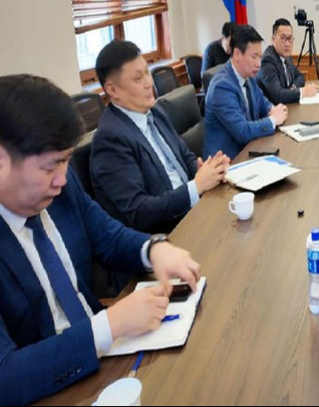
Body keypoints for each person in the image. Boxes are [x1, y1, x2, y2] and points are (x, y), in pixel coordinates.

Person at [0, 74, 200, 405]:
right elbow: (5, 376)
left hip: (108, 362)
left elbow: (107, 235)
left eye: (66, 161)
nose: (63, 179)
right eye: (50, 167)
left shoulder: (60, 188)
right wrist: (109, 325)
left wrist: (154, 249)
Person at [91, 40, 230, 234]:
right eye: (138, 78)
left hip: (193, 212)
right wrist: (195, 187)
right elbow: (138, 212)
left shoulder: (155, 112)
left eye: (147, 73)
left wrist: (207, 170)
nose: (149, 83)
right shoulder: (110, 140)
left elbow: (184, 154)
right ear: (112, 90)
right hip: (164, 234)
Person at [204, 24, 288, 160]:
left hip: (249, 149)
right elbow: (242, 131)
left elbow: (262, 102)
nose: (259, 64)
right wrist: (273, 120)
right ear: (237, 54)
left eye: (260, 57)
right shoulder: (221, 87)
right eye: (254, 57)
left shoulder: (248, 77)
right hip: (227, 161)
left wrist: (273, 109)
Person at [257, 18, 319, 104]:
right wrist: (303, 92)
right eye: (283, 38)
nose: (287, 44)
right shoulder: (268, 61)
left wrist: (292, 88)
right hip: (273, 110)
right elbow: (278, 96)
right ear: (273, 39)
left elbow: (300, 77)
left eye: (290, 38)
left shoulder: (286, 57)